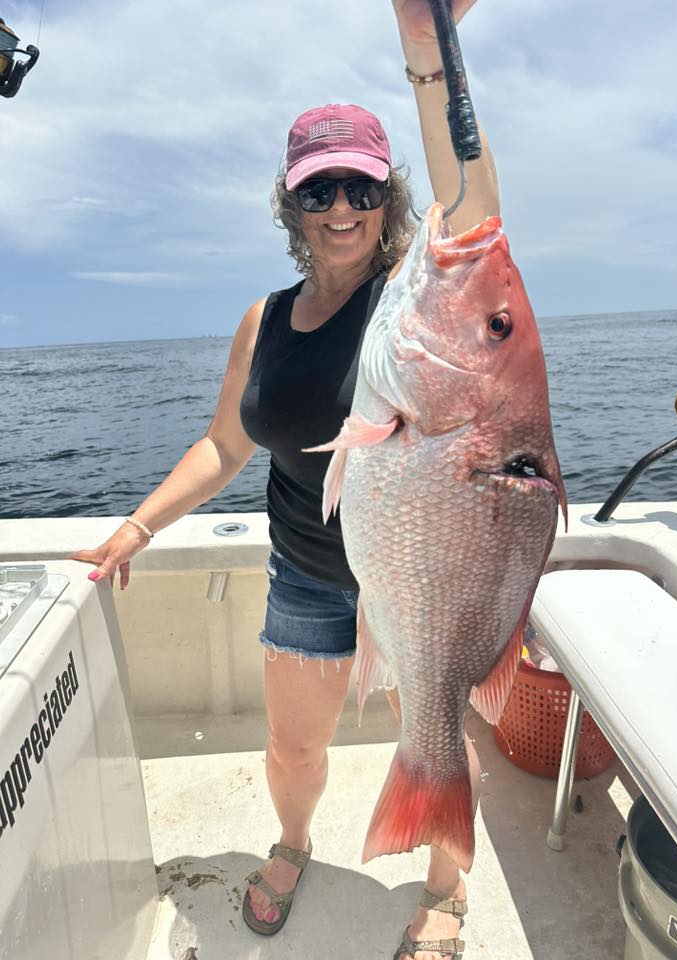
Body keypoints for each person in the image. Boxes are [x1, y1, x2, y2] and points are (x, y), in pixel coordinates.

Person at [73, 2, 499, 956]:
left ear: (388, 198)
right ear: (290, 206)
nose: (341, 209)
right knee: (292, 747)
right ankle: (293, 844)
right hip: (308, 570)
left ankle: (447, 884)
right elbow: (224, 446)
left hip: (420, 573)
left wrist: (428, 55)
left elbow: (472, 209)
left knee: (436, 729)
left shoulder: (416, 301)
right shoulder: (263, 320)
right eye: (318, 192)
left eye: (359, 187)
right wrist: (136, 527)